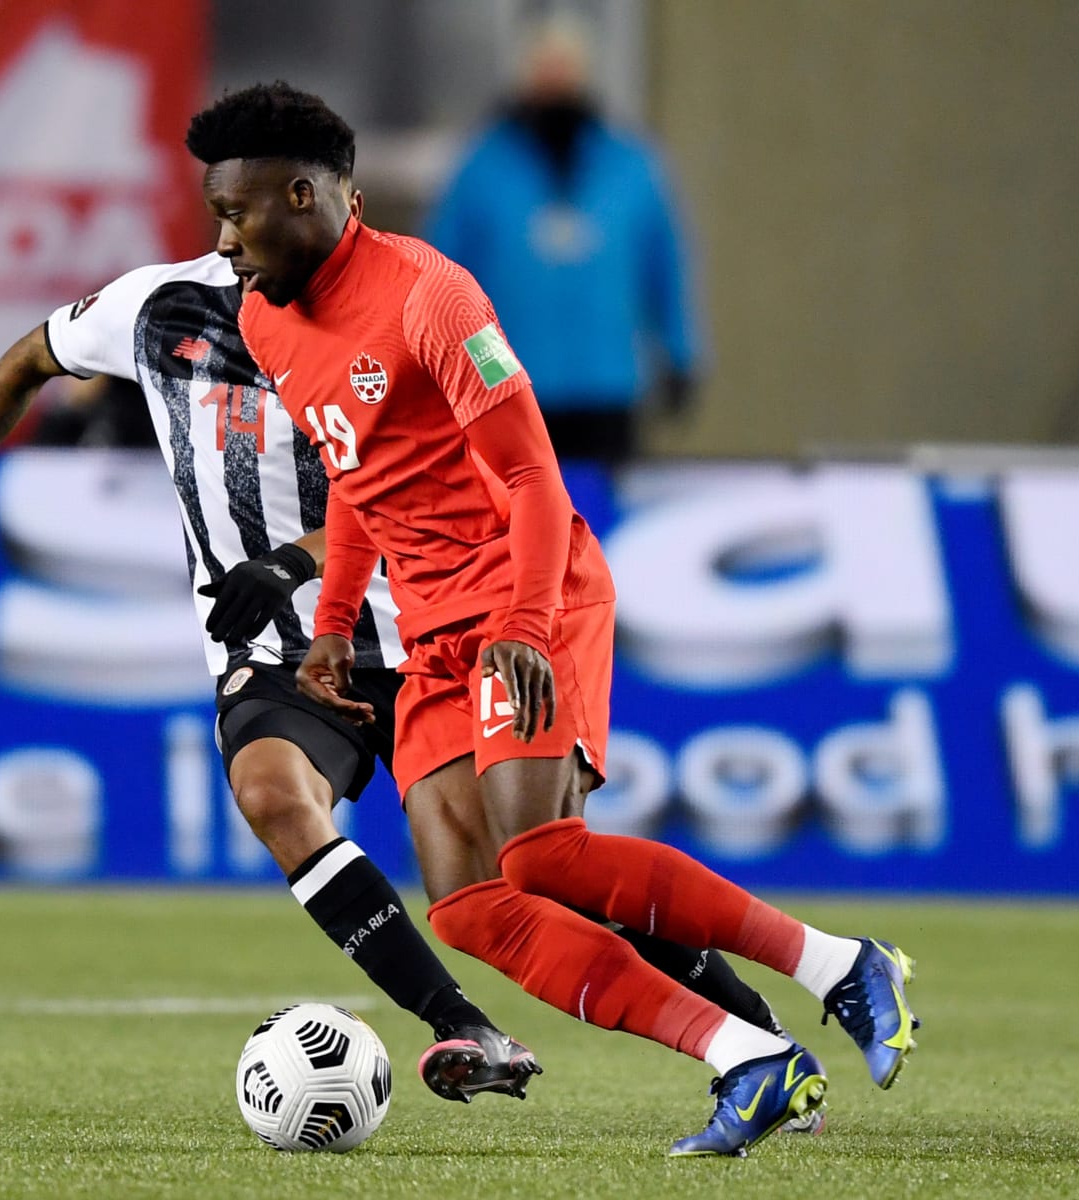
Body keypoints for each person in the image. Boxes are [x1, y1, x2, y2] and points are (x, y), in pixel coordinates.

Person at [0, 208, 810, 1110]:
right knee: (271, 793)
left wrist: (293, 562)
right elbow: (27, 360)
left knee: (535, 873)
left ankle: (755, 1030)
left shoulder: (388, 314)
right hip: (283, 644)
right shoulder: (155, 308)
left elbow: (413, 482)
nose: (237, 234)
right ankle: (462, 1025)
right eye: (226, 208)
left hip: (426, 622)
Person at [191, 80, 918, 1157]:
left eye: (235, 213)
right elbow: (360, 475)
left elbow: (533, 477)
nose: (224, 239)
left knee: (545, 858)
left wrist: (526, 626)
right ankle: (749, 1058)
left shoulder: (434, 297)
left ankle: (836, 965)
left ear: (303, 195)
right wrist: (335, 619)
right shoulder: (264, 316)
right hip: (430, 628)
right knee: (473, 907)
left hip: (529, 594)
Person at [425, 15, 699, 465]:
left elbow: (664, 265)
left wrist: (679, 352)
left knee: (598, 519)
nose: (554, 78)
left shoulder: (630, 167)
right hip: (505, 383)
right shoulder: (480, 169)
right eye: (543, 65)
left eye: (565, 64)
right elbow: (442, 280)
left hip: (607, 381)